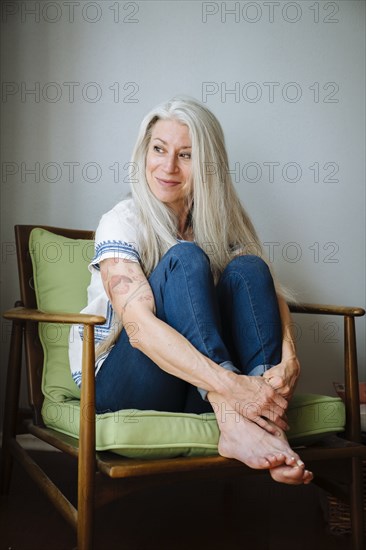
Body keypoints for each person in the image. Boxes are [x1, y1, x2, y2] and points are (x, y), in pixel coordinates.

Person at [69, 96, 313, 485]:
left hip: (192, 384)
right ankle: (237, 419)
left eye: (186, 155)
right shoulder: (122, 220)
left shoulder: (219, 221)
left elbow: (267, 293)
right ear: (143, 152)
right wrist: (232, 389)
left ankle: (266, 422)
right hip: (126, 382)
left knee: (250, 267)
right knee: (186, 260)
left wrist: (290, 357)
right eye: (159, 149)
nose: (168, 167)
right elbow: (140, 330)